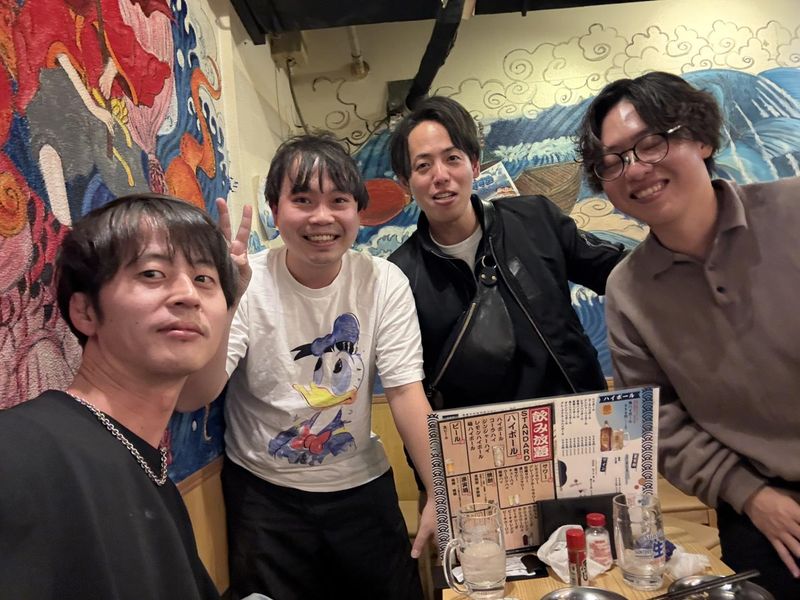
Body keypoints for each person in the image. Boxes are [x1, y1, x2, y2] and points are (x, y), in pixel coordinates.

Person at [178, 134, 434, 600]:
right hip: (264, 498)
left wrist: (439, 490)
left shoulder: (383, 281)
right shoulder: (248, 281)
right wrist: (226, 302)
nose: (322, 217)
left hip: (363, 492)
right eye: (302, 200)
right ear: (275, 211)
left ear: (358, 212)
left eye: (338, 201)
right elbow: (195, 395)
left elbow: (404, 391)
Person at [577, 71, 800, 598]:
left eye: (651, 142)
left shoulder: (792, 212)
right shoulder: (628, 290)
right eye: (612, 161)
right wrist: (751, 496)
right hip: (761, 509)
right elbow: (659, 419)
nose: (636, 169)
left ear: (701, 139)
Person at [0, 194, 246, 599]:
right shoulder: (19, 452)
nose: (188, 294)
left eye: (204, 279)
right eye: (152, 273)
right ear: (85, 312)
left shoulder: (145, 460)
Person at [388, 95, 625, 415]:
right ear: (406, 183)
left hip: (576, 419)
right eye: (423, 165)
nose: (440, 175)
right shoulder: (400, 275)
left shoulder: (535, 219)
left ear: (474, 164)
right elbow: (408, 384)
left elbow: (620, 273)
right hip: (483, 438)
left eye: (452, 158)